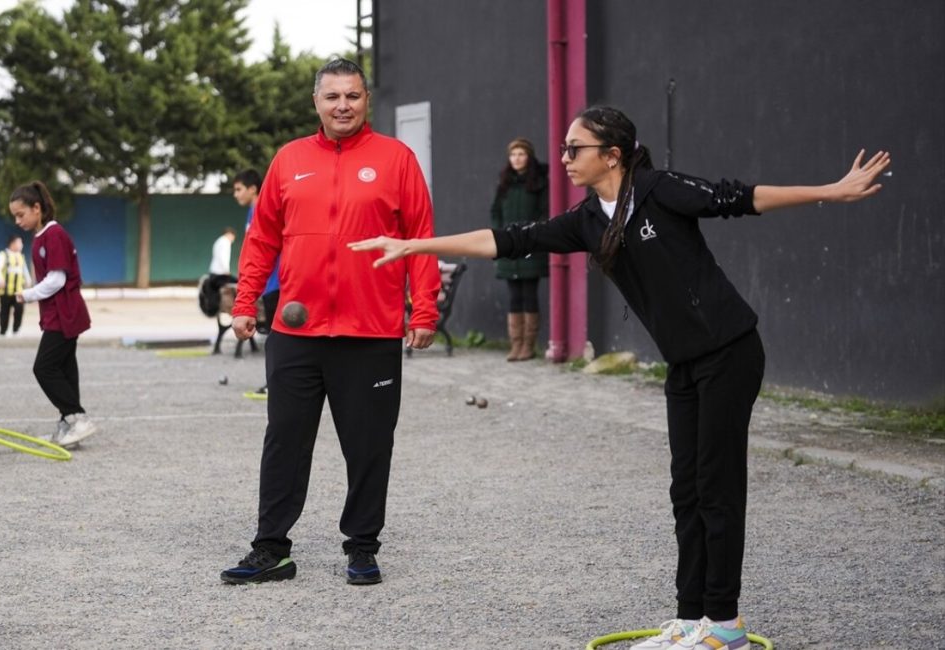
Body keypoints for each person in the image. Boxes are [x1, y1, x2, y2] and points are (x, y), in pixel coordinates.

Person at [349, 105, 890, 648]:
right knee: (686, 490)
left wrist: (831, 190)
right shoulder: (587, 219)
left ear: (613, 154)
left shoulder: (659, 189)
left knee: (716, 487)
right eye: (562, 148)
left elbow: (742, 198)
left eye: (574, 148)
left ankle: (725, 624)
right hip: (684, 363)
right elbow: (507, 239)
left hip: (729, 352)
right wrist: (415, 245)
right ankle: (690, 618)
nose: (563, 158)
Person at [221, 58, 441, 587]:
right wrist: (245, 301)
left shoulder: (396, 159)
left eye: (353, 96)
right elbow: (263, 239)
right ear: (316, 103)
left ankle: (362, 547)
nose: (343, 105)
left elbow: (420, 236)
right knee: (284, 443)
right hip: (298, 335)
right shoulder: (290, 159)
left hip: (371, 334)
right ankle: (271, 548)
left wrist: (425, 307)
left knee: (368, 445)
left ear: (366, 100)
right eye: (332, 96)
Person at [9, 181, 98, 449]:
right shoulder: (41, 237)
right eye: (14, 216)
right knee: (64, 366)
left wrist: (28, 294)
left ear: (37, 208)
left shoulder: (54, 234)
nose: (17, 221)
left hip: (65, 313)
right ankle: (68, 421)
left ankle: (77, 418)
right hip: (56, 314)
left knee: (44, 367)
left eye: (21, 214)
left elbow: (57, 279)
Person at [491, 138, 549, 361]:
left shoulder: (539, 182)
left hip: (530, 245)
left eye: (521, 154)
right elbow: (495, 211)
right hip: (508, 246)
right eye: (513, 154)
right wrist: (499, 234)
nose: (516, 159)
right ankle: (516, 345)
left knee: (529, 294)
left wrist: (531, 233)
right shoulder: (504, 182)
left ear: (529, 156)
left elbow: (545, 212)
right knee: (514, 296)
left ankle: (528, 345)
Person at [235, 168, 279, 394]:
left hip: (277, 283)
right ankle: (274, 382)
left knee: (277, 341)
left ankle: (276, 384)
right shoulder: (251, 212)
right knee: (272, 339)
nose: (236, 194)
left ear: (253, 189)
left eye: (239, 189)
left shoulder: (264, 208)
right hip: (268, 285)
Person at [0, 235, 32, 336]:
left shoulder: (20, 256)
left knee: (19, 309)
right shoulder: (3, 255)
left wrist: (28, 280)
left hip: (18, 291)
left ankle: (16, 330)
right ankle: (3, 331)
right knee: (4, 311)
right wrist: (0, 279)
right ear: (12, 244)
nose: (21, 245)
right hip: (5, 290)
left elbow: (24, 270)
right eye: (19, 243)